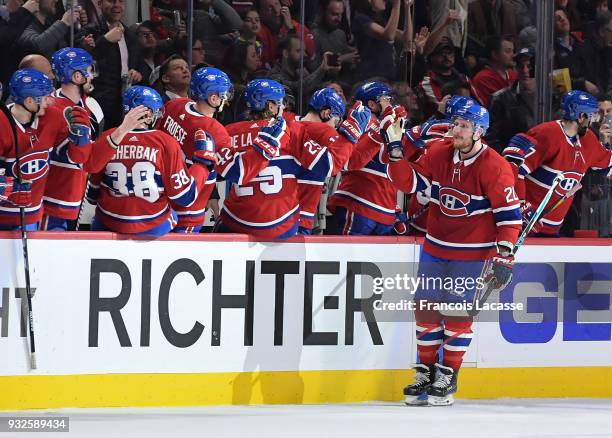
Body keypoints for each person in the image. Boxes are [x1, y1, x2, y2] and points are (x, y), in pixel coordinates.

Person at [382, 100, 521, 406]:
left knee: (457, 316)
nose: (456, 130)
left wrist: (505, 254)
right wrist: (395, 150)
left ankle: (448, 376)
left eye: (464, 126)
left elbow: (509, 217)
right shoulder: (438, 152)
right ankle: (426, 373)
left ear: (479, 132)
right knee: (426, 312)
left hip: (472, 255)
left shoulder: (495, 166)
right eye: (455, 123)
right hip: (435, 246)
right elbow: (407, 183)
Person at [86, 86, 216, 237]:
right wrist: (202, 164)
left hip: (109, 221)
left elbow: (92, 196)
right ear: (147, 113)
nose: (159, 115)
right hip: (152, 224)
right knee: (173, 216)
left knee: (99, 218)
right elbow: (185, 197)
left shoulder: (108, 137)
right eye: (156, 111)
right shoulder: (164, 141)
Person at [216, 79, 332, 238]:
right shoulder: (291, 129)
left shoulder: (229, 131)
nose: (284, 107)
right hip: (282, 226)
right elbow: (326, 165)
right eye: (281, 103)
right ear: (271, 106)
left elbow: (214, 170)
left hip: (237, 222)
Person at [503, 90, 612, 236]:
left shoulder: (589, 139)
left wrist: (608, 144)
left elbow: (608, 167)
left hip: (553, 230)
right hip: (523, 227)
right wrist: (520, 207)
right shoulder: (547, 134)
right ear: (580, 116)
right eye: (592, 116)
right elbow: (512, 169)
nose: (593, 121)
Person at [0, 69, 93, 230]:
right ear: (29, 101)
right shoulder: (2, 123)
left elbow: (78, 159)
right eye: (44, 98)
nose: (49, 102)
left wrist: (81, 140)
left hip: (32, 214)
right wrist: (6, 187)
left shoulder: (53, 117)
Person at [157, 67, 233, 233]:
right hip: (189, 210)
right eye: (223, 94)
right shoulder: (216, 130)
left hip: (160, 202)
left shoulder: (174, 105)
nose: (226, 98)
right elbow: (232, 171)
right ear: (213, 98)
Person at [38, 47, 103, 231]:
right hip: (52, 201)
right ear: (76, 77)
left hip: (70, 197)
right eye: (89, 71)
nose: (92, 76)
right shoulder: (51, 108)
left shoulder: (81, 103)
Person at [292, 87, 370, 233]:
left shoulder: (288, 123)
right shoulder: (325, 132)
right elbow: (350, 162)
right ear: (326, 113)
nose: (337, 125)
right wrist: (354, 134)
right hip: (301, 214)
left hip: (275, 211)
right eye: (337, 119)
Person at [327, 81, 401, 235]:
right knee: (348, 256)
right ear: (373, 105)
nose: (390, 104)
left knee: (350, 257)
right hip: (362, 203)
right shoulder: (364, 122)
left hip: (378, 207)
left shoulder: (392, 124)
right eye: (386, 100)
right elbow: (347, 162)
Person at [78, 0, 142, 129]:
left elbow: (136, 65)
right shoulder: (89, 31)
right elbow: (81, 64)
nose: (116, 5)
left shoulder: (130, 34)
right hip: (99, 103)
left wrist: (136, 73)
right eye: (111, 1)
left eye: (121, 1)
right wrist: (105, 40)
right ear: (100, 4)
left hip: (126, 101)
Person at [487, 48, 536, 155]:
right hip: (513, 162)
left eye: (529, 66)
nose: (525, 70)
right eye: (520, 66)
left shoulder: (552, 97)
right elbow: (492, 139)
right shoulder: (499, 99)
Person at [471, 37, 518, 108]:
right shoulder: (482, 79)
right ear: (495, 54)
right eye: (508, 51)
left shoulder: (513, 74)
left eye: (513, 51)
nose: (513, 55)